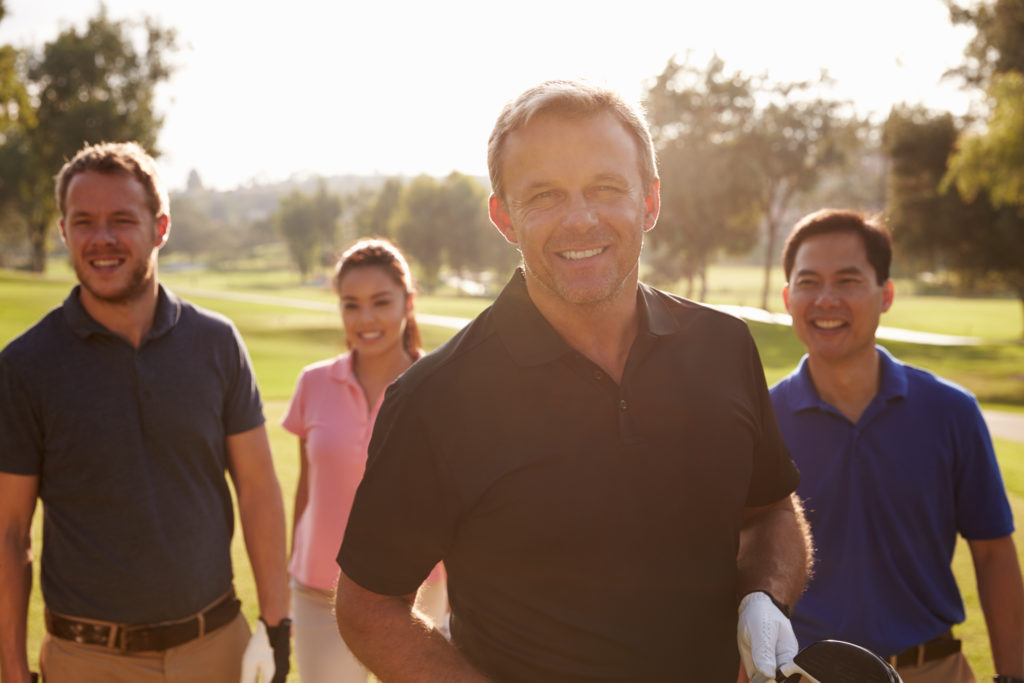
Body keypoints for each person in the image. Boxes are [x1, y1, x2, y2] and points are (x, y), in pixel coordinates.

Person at [334, 80, 813, 682]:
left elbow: (769, 509)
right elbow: (369, 608)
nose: (580, 220)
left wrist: (766, 597)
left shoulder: (723, 347)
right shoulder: (435, 397)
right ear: (504, 217)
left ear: (650, 201)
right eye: (544, 196)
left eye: (606, 188)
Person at [0, 141, 291, 683]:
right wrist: (12, 669)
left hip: (216, 650)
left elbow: (257, 487)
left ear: (160, 228)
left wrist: (276, 626)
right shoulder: (24, 366)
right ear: (63, 232)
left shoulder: (217, 343)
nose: (102, 239)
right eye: (83, 221)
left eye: (122, 220)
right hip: (86, 661)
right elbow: (10, 531)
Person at [770, 208, 1024, 683]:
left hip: (935, 670)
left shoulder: (952, 412)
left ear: (885, 294)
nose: (826, 300)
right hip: (802, 676)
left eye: (848, 281)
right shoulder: (760, 423)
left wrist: (1012, 677)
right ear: (787, 297)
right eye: (809, 282)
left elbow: (993, 555)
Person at [282, 238, 448, 682]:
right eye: (351, 305)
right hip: (318, 589)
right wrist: (288, 571)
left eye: (381, 302)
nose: (366, 318)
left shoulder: (440, 387)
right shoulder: (312, 383)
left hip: (420, 591)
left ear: (408, 303)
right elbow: (307, 487)